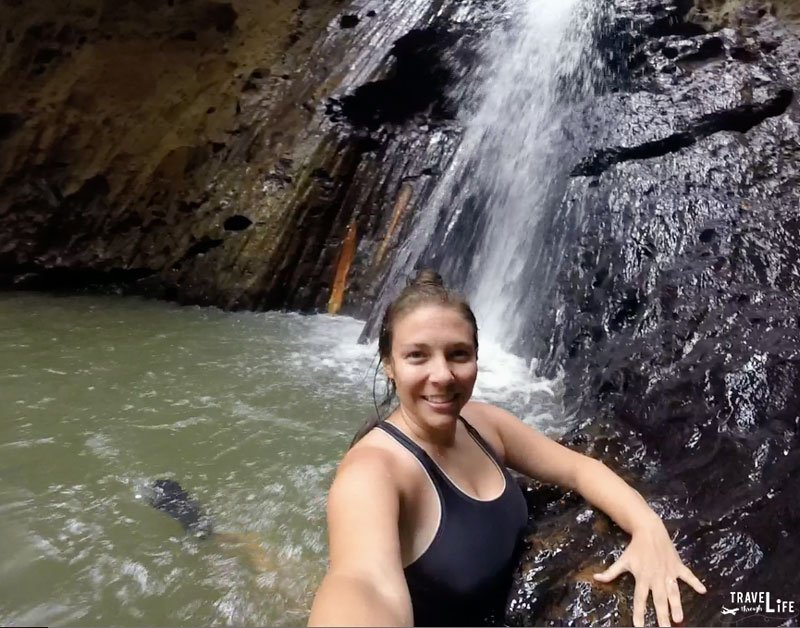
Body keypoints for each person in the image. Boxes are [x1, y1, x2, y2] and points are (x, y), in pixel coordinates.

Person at [308, 270, 706, 627]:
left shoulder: (485, 424)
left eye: (458, 354)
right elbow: (363, 583)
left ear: (477, 358)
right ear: (390, 365)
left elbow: (580, 470)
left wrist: (648, 528)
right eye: (417, 356)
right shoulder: (371, 474)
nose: (443, 375)